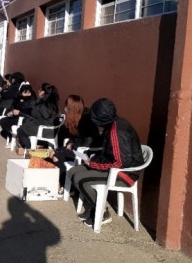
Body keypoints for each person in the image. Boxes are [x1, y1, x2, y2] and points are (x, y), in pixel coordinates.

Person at [67, 98, 144, 228]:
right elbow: (110, 154)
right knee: (73, 171)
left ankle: (102, 212)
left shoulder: (117, 132)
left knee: (80, 179)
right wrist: (93, 159)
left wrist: (92, 164)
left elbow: (120, 163)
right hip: (116, 167)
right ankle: (95, 207)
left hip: (124, 174)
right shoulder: (113, 124)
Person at [44, 95, 101, 186]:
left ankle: (65, 185)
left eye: (67, 108)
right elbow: (72, 137)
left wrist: (72, 145)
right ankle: (56, 182)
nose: (65, 110)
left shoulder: (86, 121)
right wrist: (70, 143)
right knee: (50, 154)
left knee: (56, 156)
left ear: (73, 109)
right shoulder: (75, 119)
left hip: (85, 152)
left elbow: (87, 142)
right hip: (76, 148)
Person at [15, 83, 60, 152]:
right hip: (47, 128)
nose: (38, 91)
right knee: (25, 125)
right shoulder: (51, 103)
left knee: (21, 130)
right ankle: (30, 148)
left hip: (45, 129)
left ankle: (30, 150)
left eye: (40, 90)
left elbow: (43, 116)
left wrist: (22, 114)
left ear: (43, 92)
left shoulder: (45, 105)